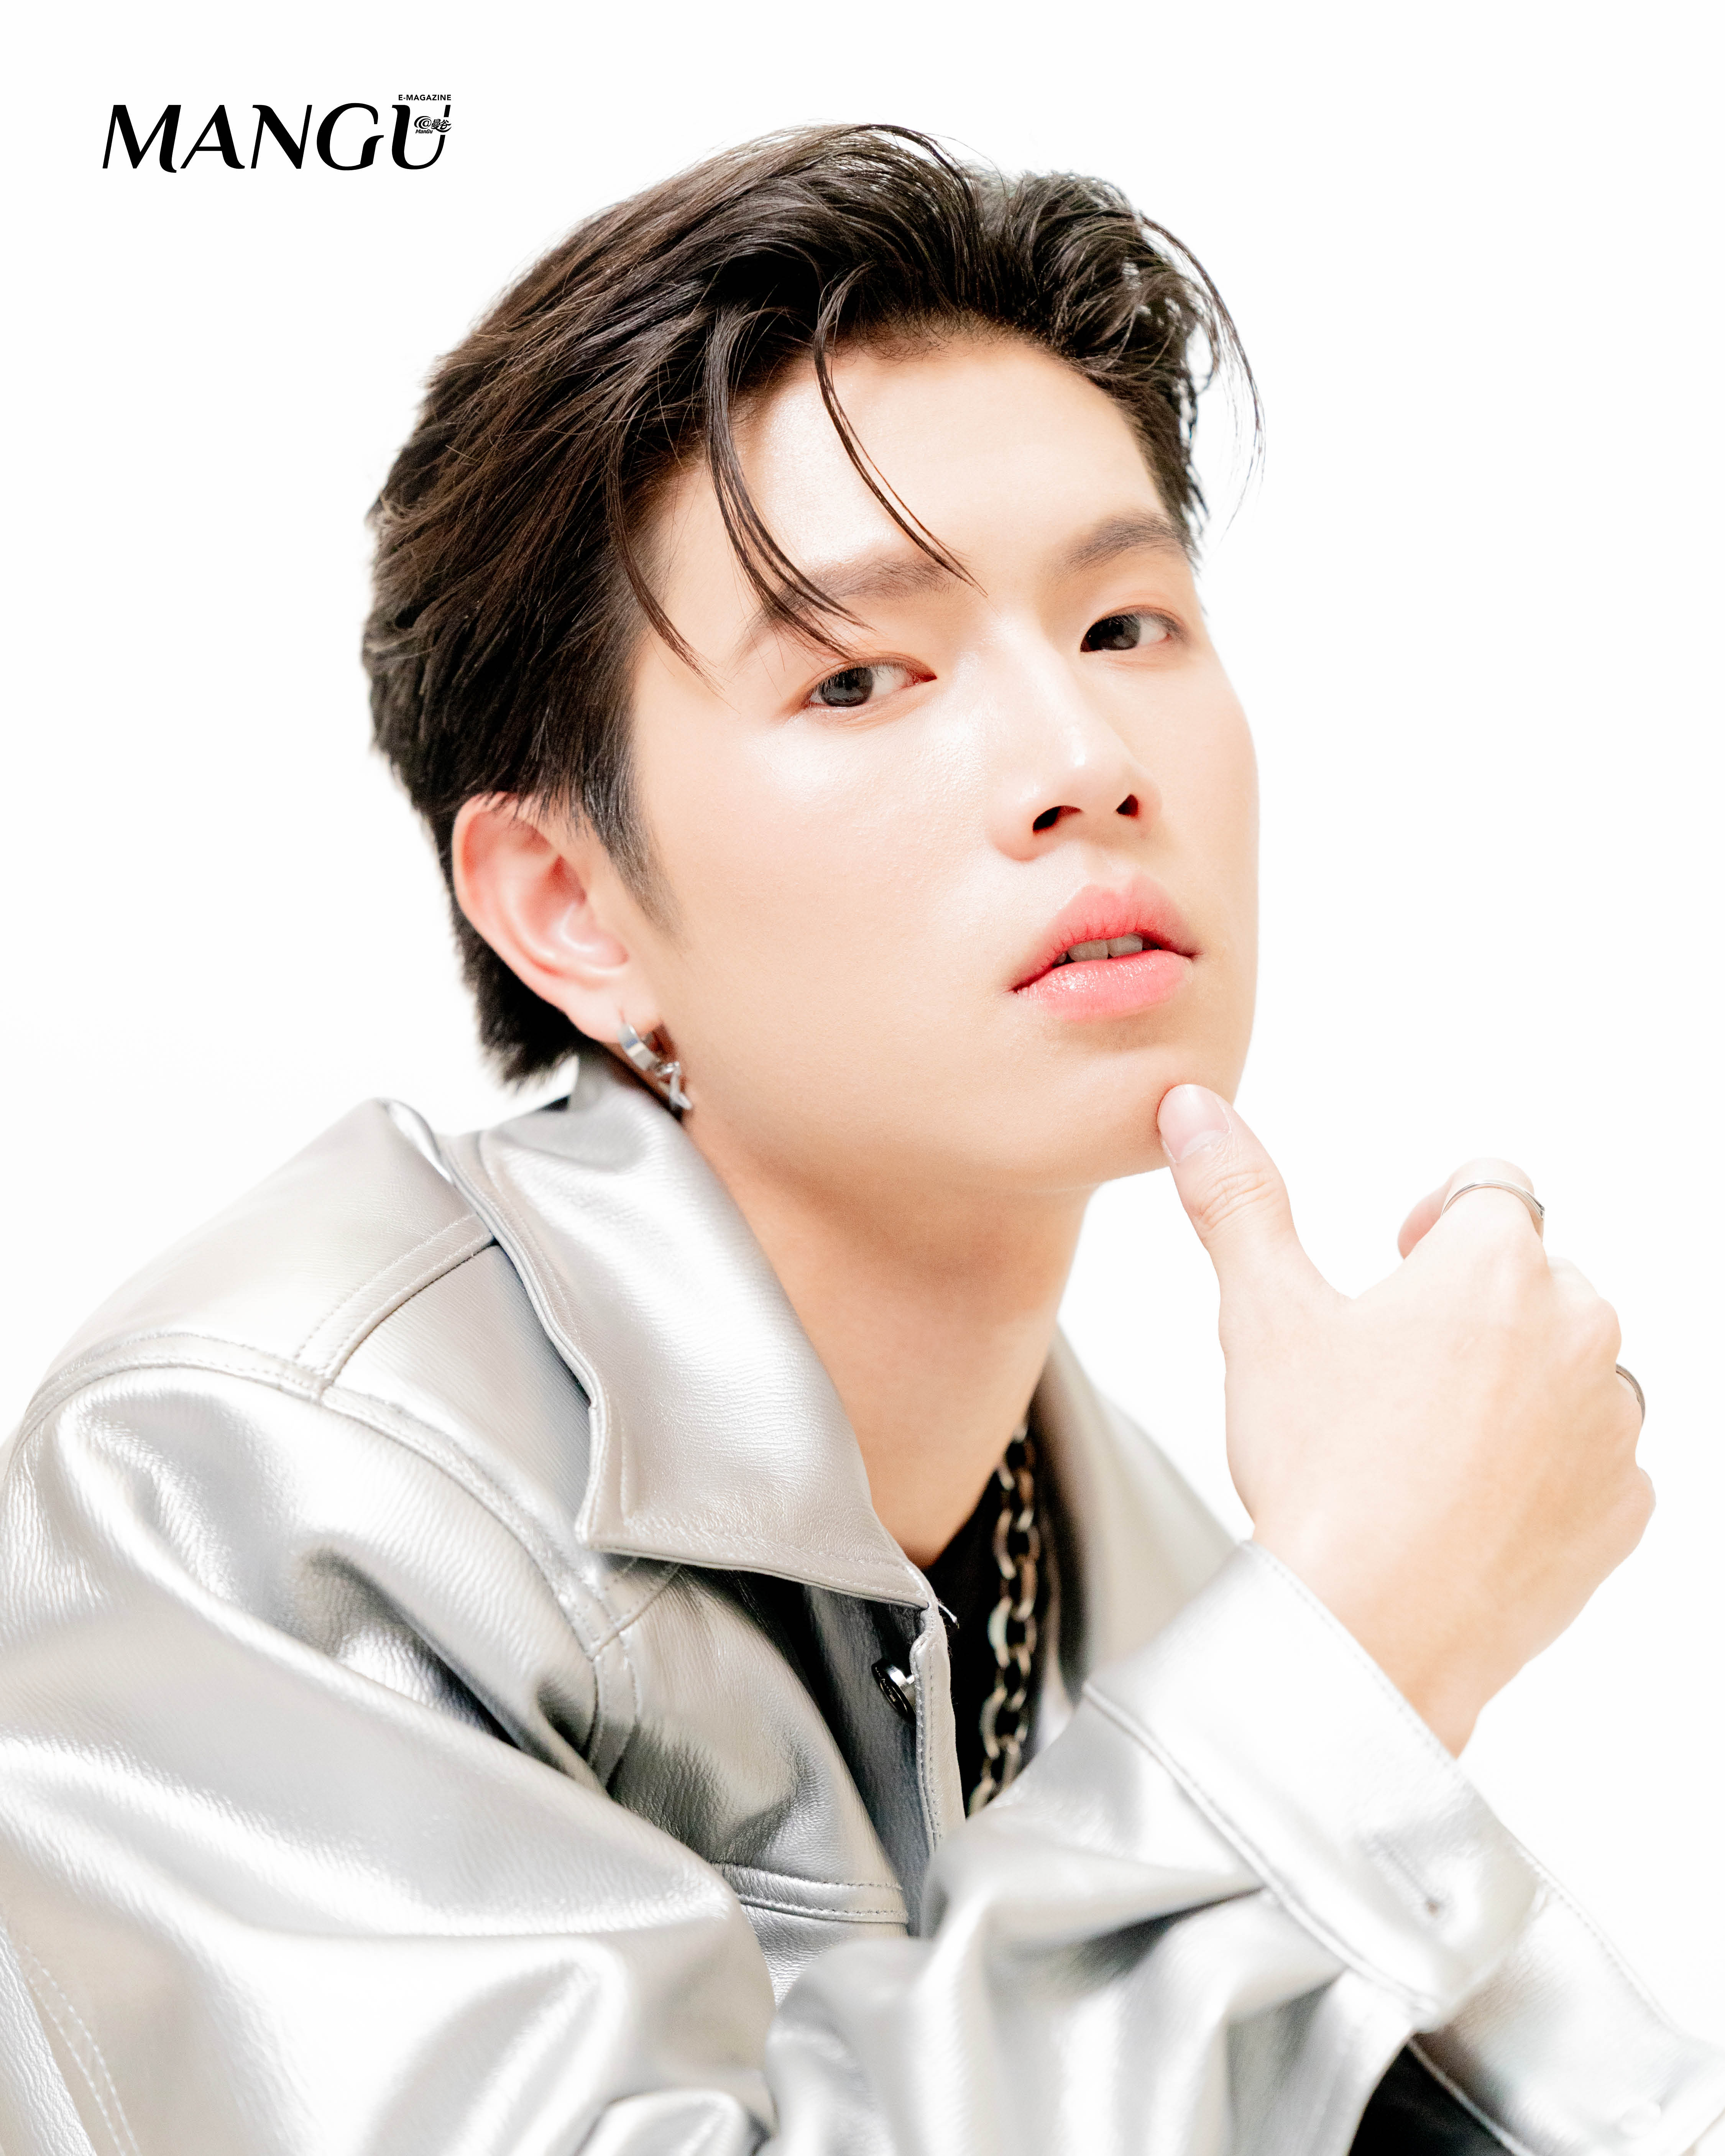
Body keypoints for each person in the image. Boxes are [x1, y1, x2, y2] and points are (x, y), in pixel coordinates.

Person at [0, 123, 1717, 2156]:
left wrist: (1340, 1641)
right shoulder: (253, 1476)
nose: (1083, 760)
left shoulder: (1111, 1534)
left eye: (1124, 627)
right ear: (570, 907)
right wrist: (1348, 1656)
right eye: (857, 677)